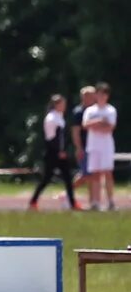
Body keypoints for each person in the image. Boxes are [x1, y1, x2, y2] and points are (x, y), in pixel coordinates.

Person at [28, 94, 77, 211]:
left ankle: (72, 203)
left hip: (59, 153)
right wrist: (59, 151)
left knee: (67, 178)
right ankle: (33, 202)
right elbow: (51, 138)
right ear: (56, 105)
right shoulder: (52, 118)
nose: (64, 106)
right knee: (46, 179)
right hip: (53, 153)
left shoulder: (59, 117)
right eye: (62, 104)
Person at [83, 83, 117, 211]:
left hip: (106, 145)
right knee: (95, 174)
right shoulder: (90, 110)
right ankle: (96, 202)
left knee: (107, 172)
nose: (101, 96)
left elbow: (110, 127)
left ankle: (111, 201)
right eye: (99, 93)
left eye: (104, 94)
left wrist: (98, 125)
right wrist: (99, 122)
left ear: (107, 96)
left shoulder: (111, 110)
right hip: (93, 145)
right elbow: (86, 125)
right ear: (96, 95)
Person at [70, 85, 94, 194]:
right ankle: (68, 192)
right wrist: (78, 148)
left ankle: (93, 199)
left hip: (95, 146)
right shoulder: (78, 112)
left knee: (92, 174)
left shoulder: (95, 111)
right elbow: (75, 132)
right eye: (86, 96)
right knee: (86, 174)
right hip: (84, 146)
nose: (88, 98)